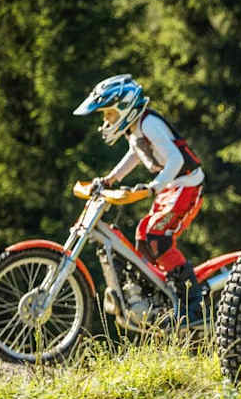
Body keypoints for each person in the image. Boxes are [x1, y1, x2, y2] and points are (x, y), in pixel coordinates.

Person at [73, 74, 207, 325]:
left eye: (108, 114)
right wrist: (110, 179)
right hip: (170, 186)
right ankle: (161, 296)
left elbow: (176, 160)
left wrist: (153, 187)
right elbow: (135, 154)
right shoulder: (135, 128)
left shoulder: (149, 124)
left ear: (124, 108)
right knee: (143, 236)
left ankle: (192, 303)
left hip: (186, 185)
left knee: (158, 236)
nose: (106, 120)